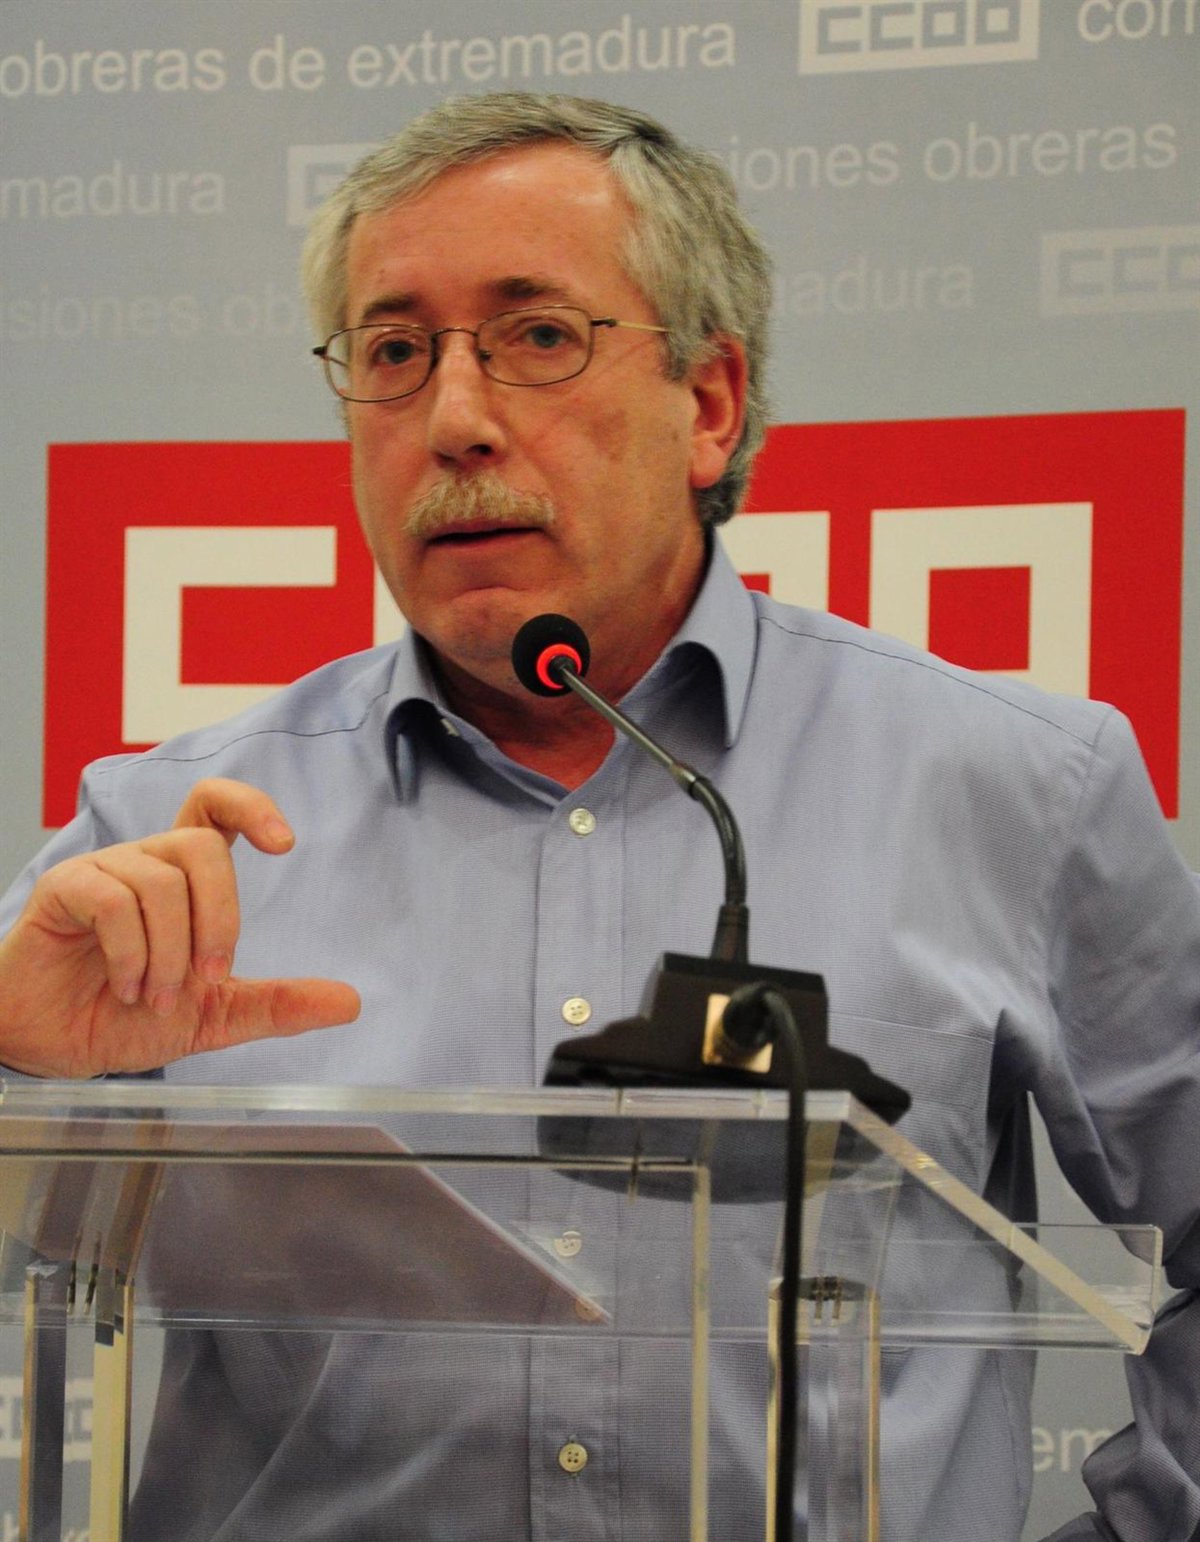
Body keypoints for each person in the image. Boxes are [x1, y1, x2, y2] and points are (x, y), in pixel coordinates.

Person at [1, 91, 1198, 1541]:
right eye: (395, 353)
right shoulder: (163, 839)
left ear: (710, 403)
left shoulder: (1020, 786)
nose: (454, 420)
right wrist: (12, 1061)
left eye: (539, 337)